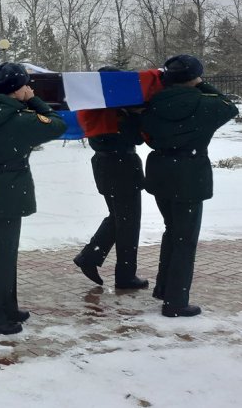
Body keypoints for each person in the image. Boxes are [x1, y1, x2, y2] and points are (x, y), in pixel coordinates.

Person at [0, 63, 66, 336]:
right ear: (16, 89)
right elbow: (57, 124)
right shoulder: (17, 119)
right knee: (3, 257)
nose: (30, 88)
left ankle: (7, 308)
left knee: (4, 253)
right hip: (8, 190)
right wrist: (34, 100)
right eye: (26, 85)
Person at [141, 54, 238, 318]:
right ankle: (175, 301)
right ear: (194, 78)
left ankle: (164, 288)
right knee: (185, 240)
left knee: (171, 231)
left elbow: (140, 128)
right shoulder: (205, 104)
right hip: (190, 174)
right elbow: (230, 107)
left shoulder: (151, 103)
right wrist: (201, 84)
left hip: (160, 171)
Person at [73, 67, 149, 289]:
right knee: (128, 222)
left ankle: (89, 257)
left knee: (118, 217)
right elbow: (136, 137)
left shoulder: (91, 105)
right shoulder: (114, 110)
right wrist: (135, 115)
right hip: (121, 165)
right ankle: (125, 276)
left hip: (105, 164)